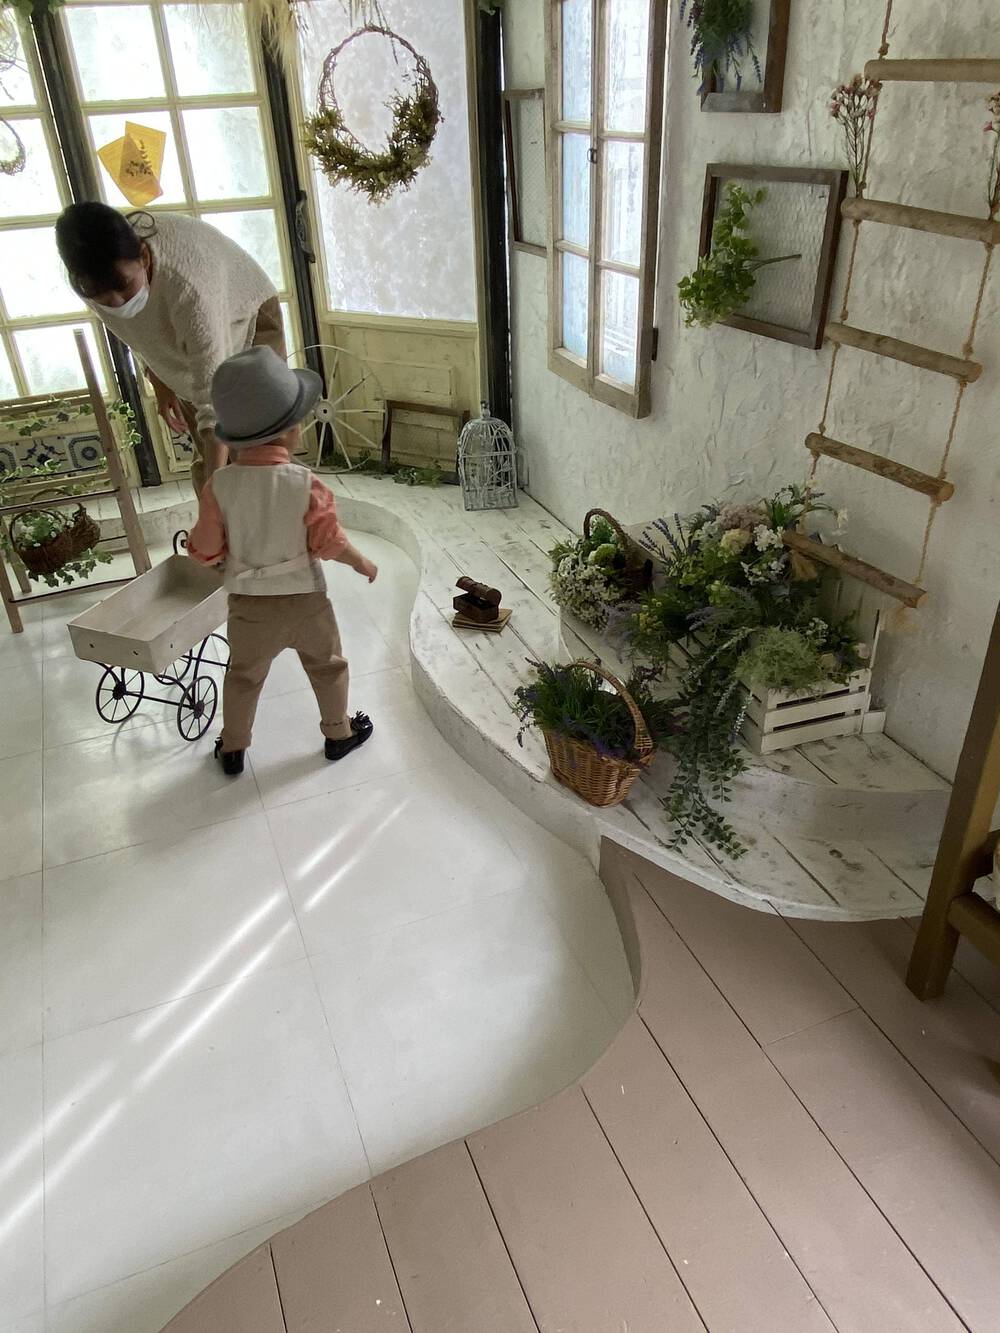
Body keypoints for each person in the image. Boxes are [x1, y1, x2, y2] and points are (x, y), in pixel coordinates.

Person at [186, 345, 377, 777]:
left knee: (243, 676)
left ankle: (233, 747)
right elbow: (328, 542)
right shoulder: (305, 483)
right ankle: (338, 733)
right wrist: (361, 562)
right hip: (307, 601)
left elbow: (206, 549)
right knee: (328, 667)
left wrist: (208, 556)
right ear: (290, 431)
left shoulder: (220, 486)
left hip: (249, 608)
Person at [55, 202, 284, 495]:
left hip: (244, 313)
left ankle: (283, 515)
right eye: (101, 295)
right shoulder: (89, 280)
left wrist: (214, 493)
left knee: (259, 450)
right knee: (212, 460)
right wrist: (159, 378)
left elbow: (214, 404)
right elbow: (137, 332)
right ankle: (225, 517)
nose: (116, 302)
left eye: (124, 286)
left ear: (144, 257)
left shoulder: (189, 285)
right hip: (189, 338)